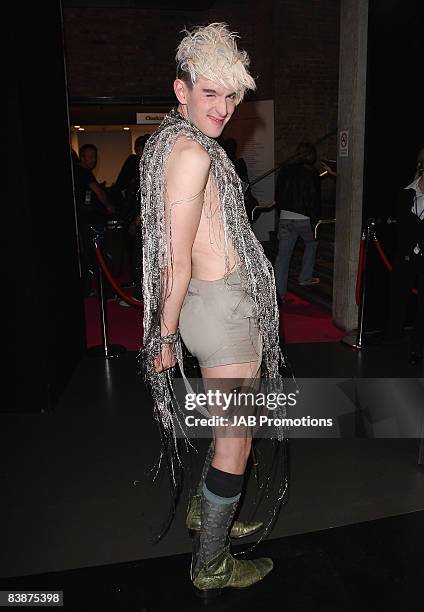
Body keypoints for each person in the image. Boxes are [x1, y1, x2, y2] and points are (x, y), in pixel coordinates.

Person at [139, 23, 287, 596]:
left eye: (232, 95)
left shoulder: (181, 144)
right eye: (211, 94)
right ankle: (212, 562)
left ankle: (208, 516)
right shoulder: (190, 154)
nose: (224, 107)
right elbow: (172, 258)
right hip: (219, 310)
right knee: (236, 439)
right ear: (182, 90)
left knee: (233, 429)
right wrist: (163, 335)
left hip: (220, 303)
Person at [386, 147, 424, 365]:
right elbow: (400, 226)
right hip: (407, 256)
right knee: (398, 297)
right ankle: (393, 337)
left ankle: (417, 348)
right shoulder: (406, 193)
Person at [274, 142, 322, 303]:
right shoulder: (311, 171)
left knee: (283, 256)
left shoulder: (285, 169)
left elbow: (278, 194)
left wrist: (281, 213)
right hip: (304, 217)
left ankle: (279, 295)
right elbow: (314, 198)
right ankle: (305, 277)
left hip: (286, 216)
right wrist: (315, 220)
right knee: (311, 244)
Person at [73, 144, 115, 297]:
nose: (93, 160)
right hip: (90, 221)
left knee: (89, 257)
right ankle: (105, 291)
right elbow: (98, 192)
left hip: (83, 220)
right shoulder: (84, 173)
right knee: (99, 256)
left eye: (95, 157)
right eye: (90, 157)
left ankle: (91, 288)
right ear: (82, 157)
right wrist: (109, 206)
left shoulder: (77, 172)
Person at [113, 134, 150, 304]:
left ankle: (142, 293)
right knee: (139, 256)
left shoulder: (144, 165)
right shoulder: (142, 165)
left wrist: (140, 215)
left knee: (141, 257)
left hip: (144, 217)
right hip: (141, 216)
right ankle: (142, 290)